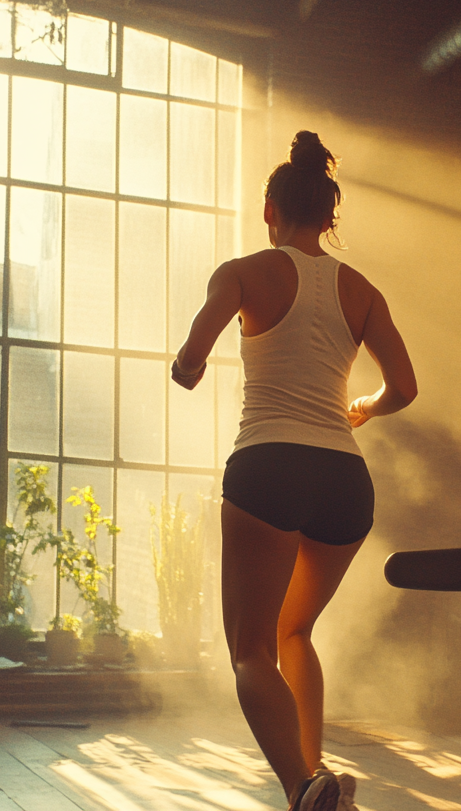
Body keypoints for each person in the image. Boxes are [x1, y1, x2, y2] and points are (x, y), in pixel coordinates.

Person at [171, 131, 417, 811]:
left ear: (270, 211)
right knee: (294, 631)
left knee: (251, 650)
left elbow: (191, 360)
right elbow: (405, 386)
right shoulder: (361, 290)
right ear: (328, 217)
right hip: (344, 479)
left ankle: (300, 786)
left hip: (269, 468)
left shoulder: (244, 272)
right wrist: (363, 406)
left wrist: (185, 369)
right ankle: (317, 780)